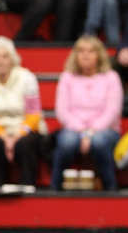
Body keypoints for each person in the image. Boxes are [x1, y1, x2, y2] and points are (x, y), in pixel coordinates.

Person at [52, 36, 122, 191]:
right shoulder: (67, 77)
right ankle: (55, 189)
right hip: (74, 128)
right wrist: (83, 131)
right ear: (75, 55)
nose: (86, 55)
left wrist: (90, 133)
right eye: (81, 51)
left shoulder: (111, 78)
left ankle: (110, 188)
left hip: (105, 129)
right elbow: (62, 111)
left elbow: (112, 111)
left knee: (99, 141)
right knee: (67, 142)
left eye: (91, 51)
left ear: (99, 55)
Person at [0, 36, 45, 188]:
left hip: (26, 128)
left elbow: (34, 114)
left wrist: (16, 136)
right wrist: (4, 136)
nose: (0, 61)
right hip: (0, 129)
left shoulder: (27, 77)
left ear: (13, 59)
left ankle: (28, 186)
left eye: (5, 56)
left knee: (25, 143)